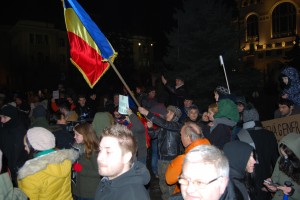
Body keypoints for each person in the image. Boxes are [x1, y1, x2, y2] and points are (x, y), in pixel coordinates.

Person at [18, 127, 78, 200]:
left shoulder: (30, 174)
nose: (25, 148)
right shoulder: (65, 160)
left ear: (33, 146)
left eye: (26, 145)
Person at [139, 105, 183, 200]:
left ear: (176, 116)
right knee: (163, 185)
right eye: (167, 111)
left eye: (170, 112)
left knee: (171, 186)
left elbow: (165, 124)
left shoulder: (177, 126)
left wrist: (148, 113)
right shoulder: (164, 126)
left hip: (172, 161)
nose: (167, 113)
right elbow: (154, 135)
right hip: (161, 160)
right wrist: (150, 128)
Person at [95, 124, 150, 200]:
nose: (99, 157)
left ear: (126, 157)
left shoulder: (134, 196)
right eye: (100, 150)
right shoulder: (106, 181)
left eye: (108, 152)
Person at [237, 108, 279, 199]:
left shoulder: (240, 136)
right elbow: (276, 160)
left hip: (250, 181)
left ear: (244, 119)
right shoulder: (269, 134)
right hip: (268, 180)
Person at [165, 122, 210, 195]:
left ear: (188, 137)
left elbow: (169, 179)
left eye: (181, 135)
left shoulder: (184, 159)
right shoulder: (213, 152)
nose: (181, 137)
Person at [263, 133, 300, 200]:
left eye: (287, 156)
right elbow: (275, 183)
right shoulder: (281, 160)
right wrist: (271, 187)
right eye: (283, 155)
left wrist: (292, 192)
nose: (285, 159)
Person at [0, 104, 28, 186]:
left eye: (5, 117)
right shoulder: (4, 127)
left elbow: (16, 154)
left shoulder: (19, 131)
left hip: (16, 167)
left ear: (13, 117)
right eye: (1, 117)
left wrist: (12, 171)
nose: (2, 120)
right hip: (5, 165)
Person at [72, 122, 100, 200]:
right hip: (80, 189)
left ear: (86, 135)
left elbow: (100, 172)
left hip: (90, 191)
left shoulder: (94, 150)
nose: (74, 137)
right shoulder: (79, 147)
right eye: (74, 134)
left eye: (77, 135)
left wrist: (79, 169)